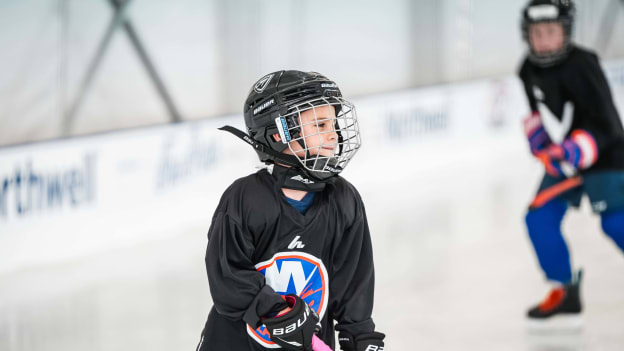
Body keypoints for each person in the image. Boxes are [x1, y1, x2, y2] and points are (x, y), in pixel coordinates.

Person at [196, 70, 385, 350]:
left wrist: (358, 336)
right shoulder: (246, 199)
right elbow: (227, 278)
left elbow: (352, 285)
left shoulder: (344, 200)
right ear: (277, 133)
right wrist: (275, 310)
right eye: (319, 125)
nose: (332, 135)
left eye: (332, 124)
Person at [518, 0, 624, 328]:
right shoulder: (527, 68)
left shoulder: (583, 64)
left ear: (565, 31)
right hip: (567, 162)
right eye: (536, 32)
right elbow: (538, 115)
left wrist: (574, 150)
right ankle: (564, 291)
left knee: (615, 223)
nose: (543, 39)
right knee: (538, 218)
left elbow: (608, 123)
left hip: (606, 157)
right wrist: (541, 143)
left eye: (551, 31)